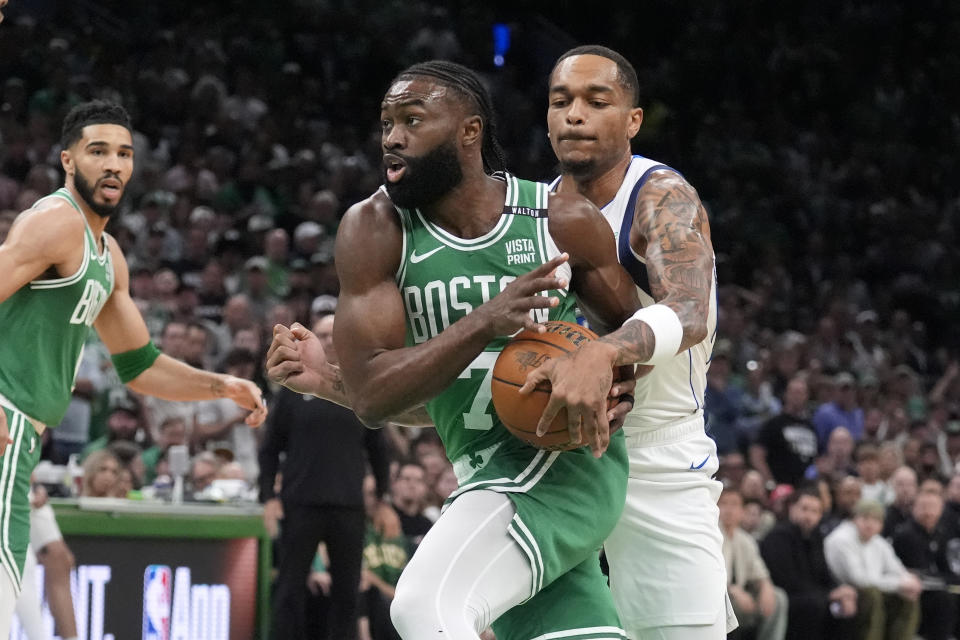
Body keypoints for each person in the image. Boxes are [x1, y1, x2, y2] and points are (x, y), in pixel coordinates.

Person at [267, 60, 641, 640]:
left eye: (413, 120)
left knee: (424, 608)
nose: (392, 136)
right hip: (485, 475)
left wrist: (609, 376)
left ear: (469, 131)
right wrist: (330, 382)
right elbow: (379, 398)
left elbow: (635, 339)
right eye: (387, 122)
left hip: (560, 467)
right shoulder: (374, 229)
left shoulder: (557, 218)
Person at [0, 100, 266, 636]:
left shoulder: (107, 254)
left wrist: (222, 384)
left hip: (24, 442)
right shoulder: (54, 221)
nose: (114, 164)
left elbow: (140, 366)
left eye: (124, 153)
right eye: (97, 151)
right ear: (68, 160)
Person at [513, 45, 732, 637]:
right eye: (560, 102)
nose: (573, 114)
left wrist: (604, 350)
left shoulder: (661, 195)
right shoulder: (530, 214)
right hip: (556, 460)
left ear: (632, 120)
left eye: (595, 100)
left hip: (657, 458)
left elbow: (689, 311)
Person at [259, 312, 392, 640]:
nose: (330, 340)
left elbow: (380, 450)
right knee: (290, 587)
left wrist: (383, 499)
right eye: (322, 333)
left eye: (335, 334)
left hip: (349, 505)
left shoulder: (362, 391)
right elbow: (270, 447)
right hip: (300, 502)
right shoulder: (293, 388)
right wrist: (268, 497)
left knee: (347, 592)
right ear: (310, 340)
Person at [760, 485, 859, 640]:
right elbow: (786, 580)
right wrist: (829, 594)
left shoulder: (816, 537)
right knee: (814, 605)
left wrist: (841, 591)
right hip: (786, 598)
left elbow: (825, 574)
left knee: (846, 605)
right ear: (792, 508)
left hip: (813, 595)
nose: (809, 516)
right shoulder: (778, 536)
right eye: (804, 509)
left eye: (815, 511)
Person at [823, 499, 921, 640]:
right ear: (854, 518)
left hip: (874, 590)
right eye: (865, 518)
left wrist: (908, 582)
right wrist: (899, 584)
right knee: (872, 595)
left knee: (908, 595)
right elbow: (860, 580)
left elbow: (897, 570)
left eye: (876, 520)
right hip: (842, 594)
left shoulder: (878, 542)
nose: (870, 524)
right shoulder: (841, 539)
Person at [718, 487, 788, 640]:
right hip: (719, 596)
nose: (728, 509)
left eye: (734, 504)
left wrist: (766, 587)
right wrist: (733, 590)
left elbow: (760, 573)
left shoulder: (746, 540)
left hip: (744, 597)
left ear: (742, 511)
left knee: (779, 597)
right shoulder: (711, 536)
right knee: (728, 602)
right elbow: (710, 576)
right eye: (724, 503)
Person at [891, 490, 960, 640]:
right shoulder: (906, 534)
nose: (928, 512)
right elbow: (921, 573)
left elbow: (946, 568)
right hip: (910, 591)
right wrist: (948, 580)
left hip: (933, 587)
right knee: (944, 599)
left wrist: (950, 580)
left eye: (933, 507)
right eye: (923, 507)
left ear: (941, 510)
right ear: (914, 508)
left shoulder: (940, 532)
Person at [750, 375, 819, 487]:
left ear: (807, 396)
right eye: (794, 392)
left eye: (801, 392)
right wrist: (770, 482)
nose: (797, 396)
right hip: (781, 486)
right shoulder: (774, 423)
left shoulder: (811, 426)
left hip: (807, 487)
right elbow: (756, 454)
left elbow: (817, 457)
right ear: (786, 394)